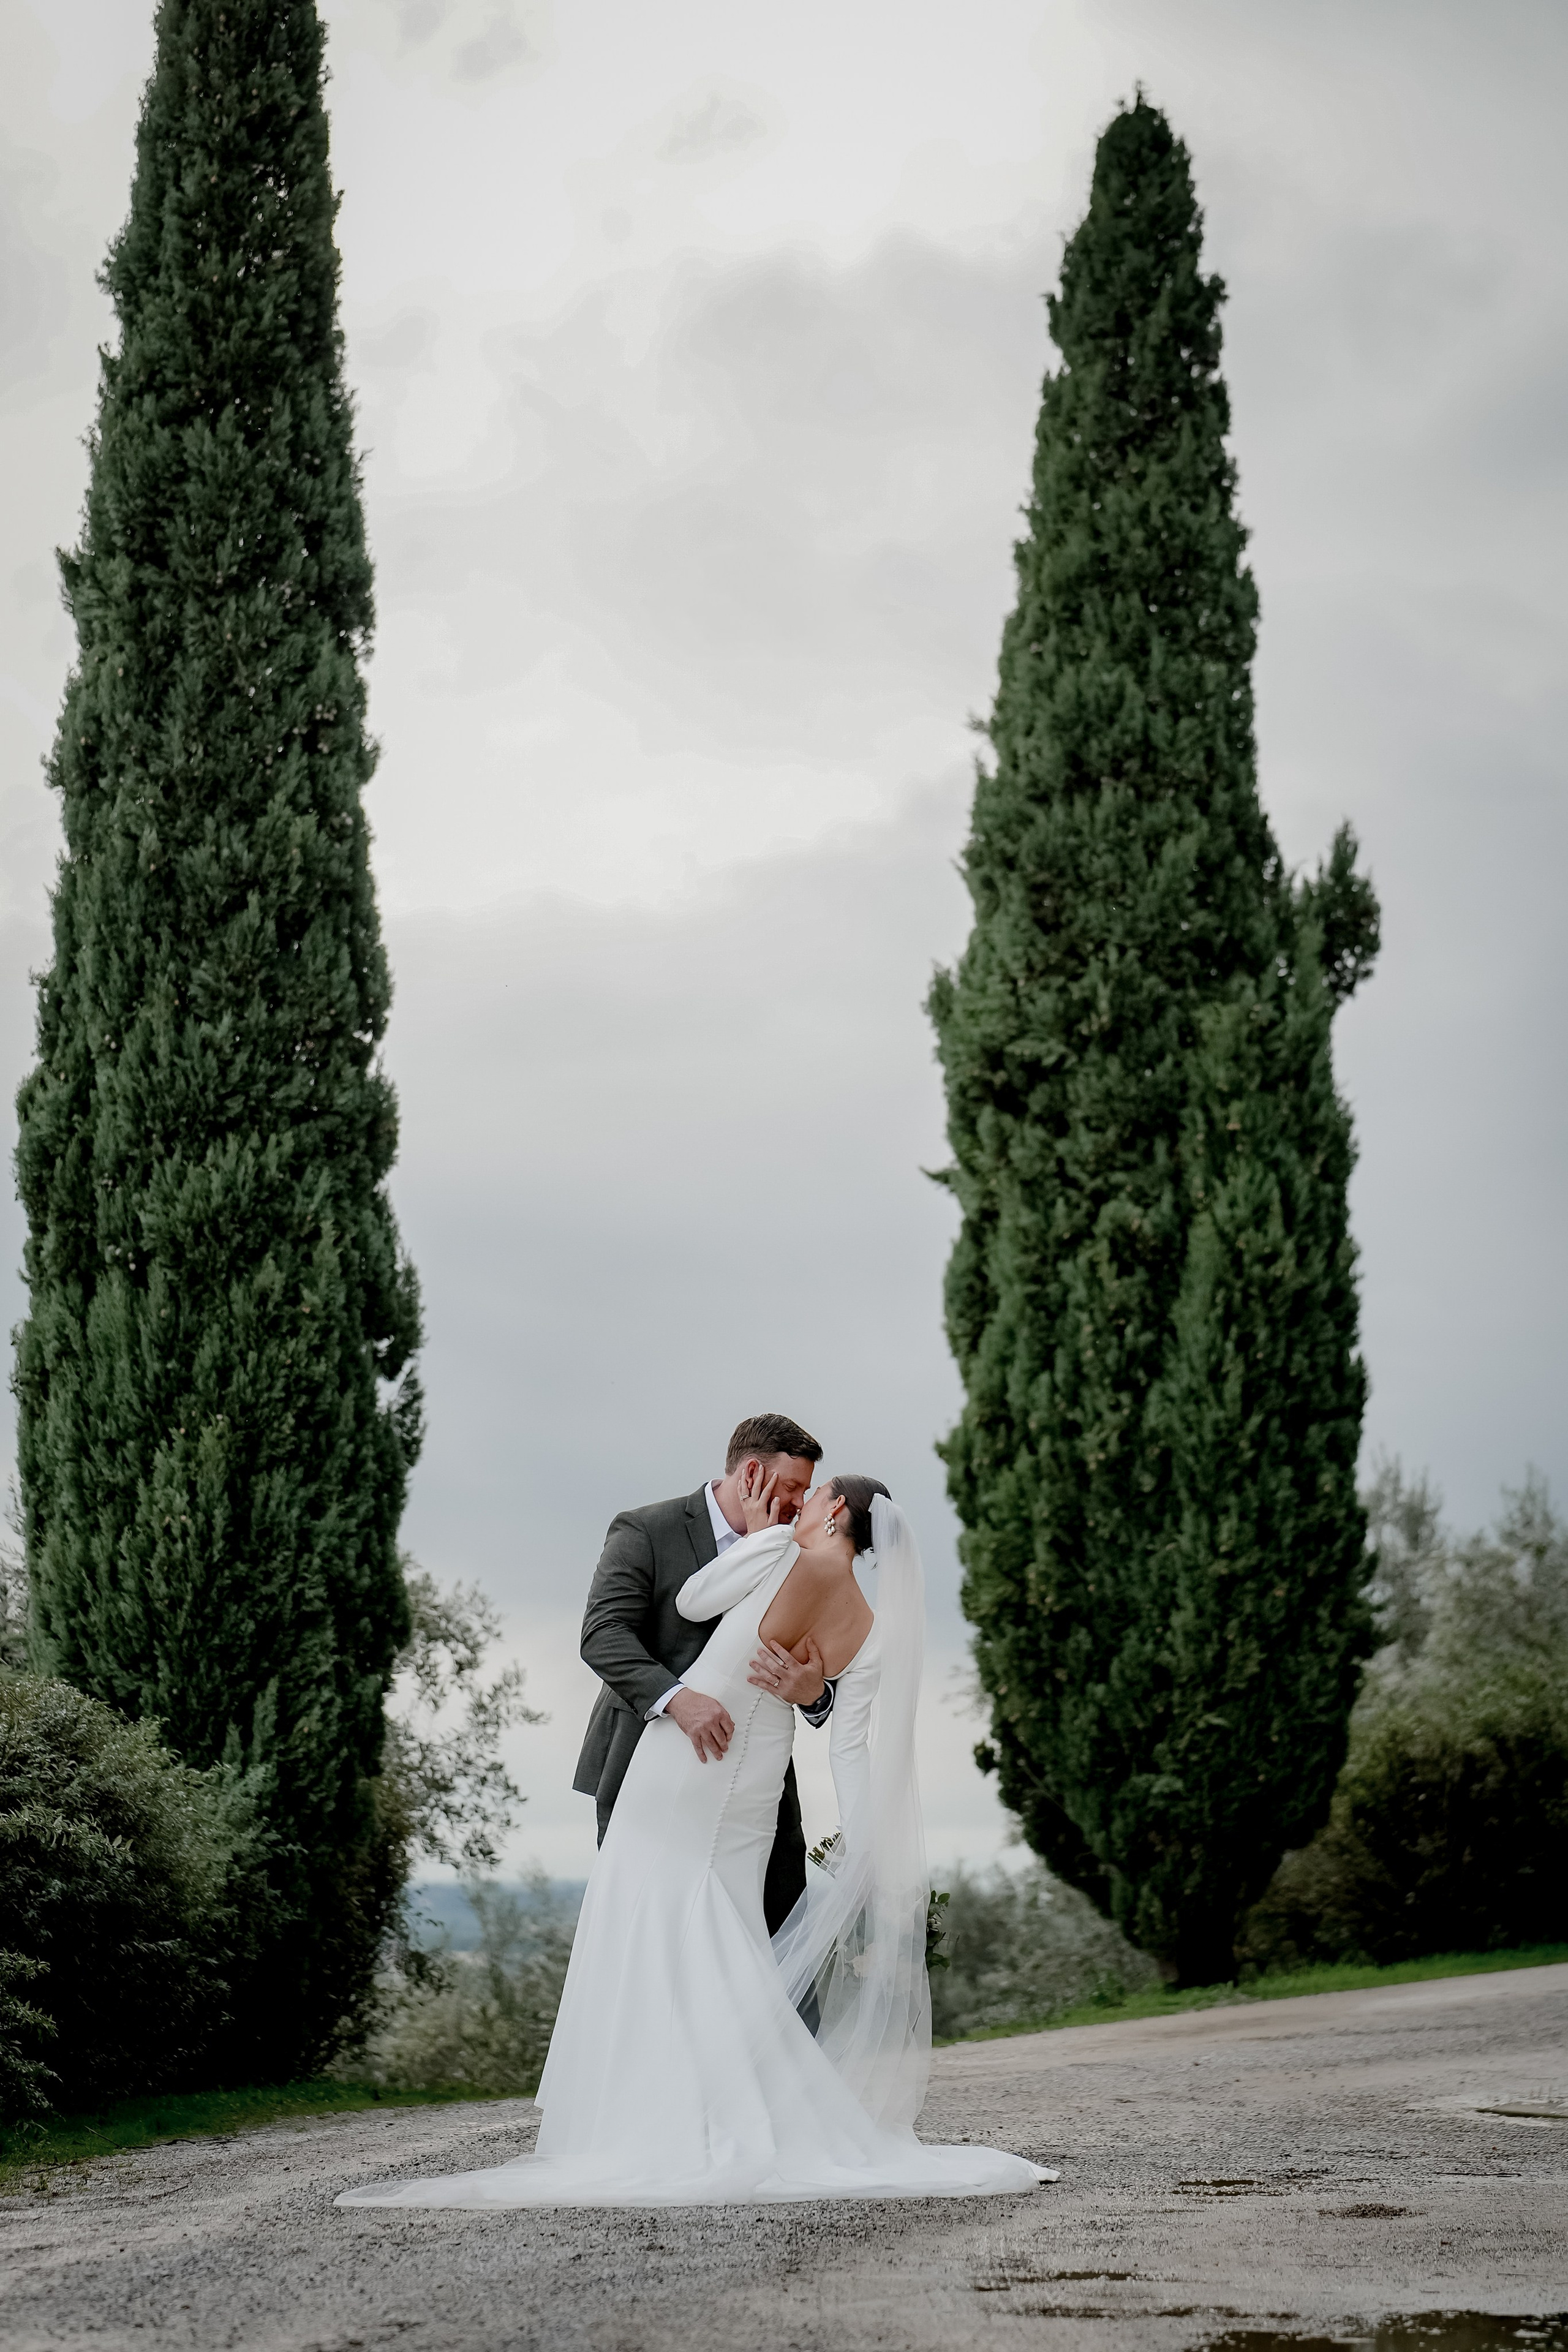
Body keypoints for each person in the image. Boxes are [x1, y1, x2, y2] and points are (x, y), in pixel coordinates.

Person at [337, 1457, 1050, 2207]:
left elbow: (695, 1597)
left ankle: (662, 2116)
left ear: (836, 1511)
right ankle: (722, 2109)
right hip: (752, 1781)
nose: (799, 1504)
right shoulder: (868, 1630)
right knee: (722, 1923)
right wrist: (867, 1843)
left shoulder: (779, 1549)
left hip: (687, 1761)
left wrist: (765, 1546)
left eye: (814, 1496)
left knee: (650, 1907)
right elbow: (847, 1748)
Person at [571, 1414, 839, 1936]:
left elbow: (829, 1661)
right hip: (645, 1774)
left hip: (755, 1787)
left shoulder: (801, 1554)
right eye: (791, 1488)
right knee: (649, 1935)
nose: (800, 1505)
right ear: (752, 1475)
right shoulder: (647, 1529)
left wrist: (815, 1695)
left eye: (807, 1493)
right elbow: (603, 1633)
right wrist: (677, 1699)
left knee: (778, 1934)